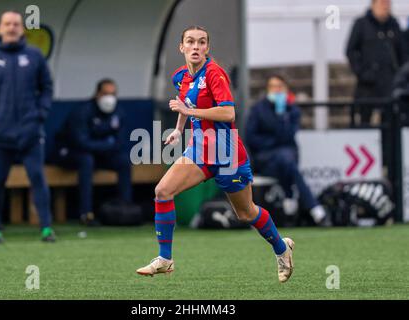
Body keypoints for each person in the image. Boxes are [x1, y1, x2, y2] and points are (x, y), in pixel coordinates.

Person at [136, 26, 295, 283]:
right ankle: (165, 259)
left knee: (246, 213)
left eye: (201, 42)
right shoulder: (181, 76)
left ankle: (281, 247)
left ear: (207, 48)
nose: (196, 47)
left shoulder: (214, 74)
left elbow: (228, 113)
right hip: (200, 149)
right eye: (191, 42)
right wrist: (179, 129)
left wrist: (190, 114)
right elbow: (185, 102)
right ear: (182, 47)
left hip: (226, 151)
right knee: (162, 191)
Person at [0, 11, 55, 243]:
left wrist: (40, 114)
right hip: (1, 134)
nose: (11, 28)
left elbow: (47, 87)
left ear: (22, 28)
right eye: (7, 24)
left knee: (38, 178)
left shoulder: (34, 55)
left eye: (16, 24)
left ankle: (46, 228)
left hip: (31, 132)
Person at [245, 75, 329, 226]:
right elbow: (251, 138)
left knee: (286, 161)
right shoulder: (258, 109)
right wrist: (274, 142)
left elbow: (289, 135)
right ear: (267, 89)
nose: (276, 90)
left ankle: (290, 205)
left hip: (285, 157)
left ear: (286, 89)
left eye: (280, 87)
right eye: (273, 86)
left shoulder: (292, 111)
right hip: (265, 159)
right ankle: (313, 208)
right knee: (287, 161)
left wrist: (281, 116)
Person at [51, 79, 132, 225]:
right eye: (106, 93)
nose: (110, 98)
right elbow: (81, 143)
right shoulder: (83, 111)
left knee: (123, 160)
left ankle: (125, 209)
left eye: (113, 94)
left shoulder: (118, 112)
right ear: (97, 94)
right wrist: (107, 144)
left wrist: (105, 146)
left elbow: (120, 142)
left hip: (98, 154)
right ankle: (86, 213)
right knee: (86, 160)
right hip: (69, 153)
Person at [346, 0, 406, 125]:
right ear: (373, 5)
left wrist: (398, 75)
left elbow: (403, 53)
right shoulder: (361, 24)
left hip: (390, 84)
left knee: (390, 122)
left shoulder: (394, 25)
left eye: (388, 4)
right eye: (382, 3)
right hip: (367, 85)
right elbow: (350, 51)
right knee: (364, 121)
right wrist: (362, 73)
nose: (386, 7)